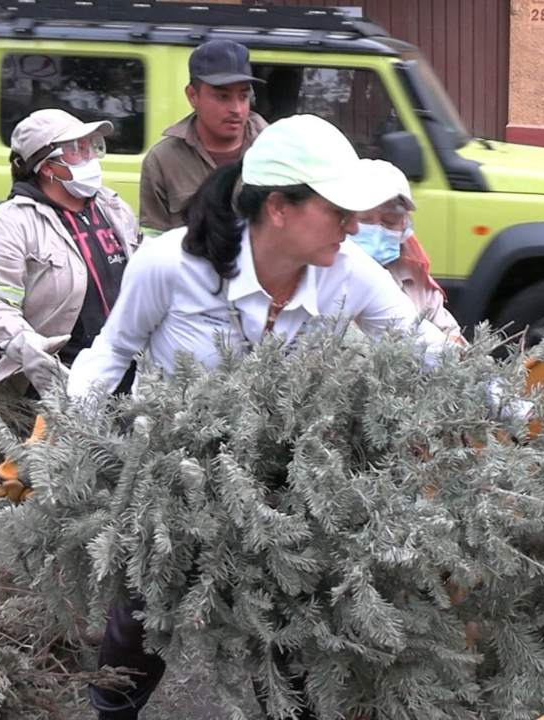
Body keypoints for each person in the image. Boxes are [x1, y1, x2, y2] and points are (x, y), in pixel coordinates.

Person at [77, 114, 449, 718]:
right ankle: (113, 710)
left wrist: (519, 407)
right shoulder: (170, 266)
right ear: (278, 207)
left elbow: (421, 345)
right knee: (140, 619)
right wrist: (68, 443)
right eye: (338, 211)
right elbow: (112, 352)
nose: (354, 227)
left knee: (287, 629)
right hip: (171, 482)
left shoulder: (346, 273)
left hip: (279, 487)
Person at [0, 108, 139, 396]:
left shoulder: (113, 207)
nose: (90, 158)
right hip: (62, 378)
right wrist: (23, 343)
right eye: (77, 149)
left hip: (128, 369)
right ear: (47, 167)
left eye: (92, 147)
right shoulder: (9, 223)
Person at [138, 39, 268, 236]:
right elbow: (152, 239)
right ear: (192, 96)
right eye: (222, 97)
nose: (236, 109)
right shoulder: (163, 160)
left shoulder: (274, 150)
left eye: (243, 96)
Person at [348, 160, 464, 341]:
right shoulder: (326, 275)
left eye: (389, 221)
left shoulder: (414, 277)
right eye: (366, 219)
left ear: (405, 225)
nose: (377, 230)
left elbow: (451, 337)